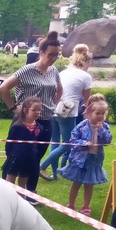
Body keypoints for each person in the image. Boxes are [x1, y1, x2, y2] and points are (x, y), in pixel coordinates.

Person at [0, 31, 62, 194]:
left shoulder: (54, 71)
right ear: (41, 53)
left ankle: (30, 193)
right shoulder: (26, 71)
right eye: (50, 55)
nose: (53, 58)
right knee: (14, 157)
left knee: (35, 160)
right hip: (24, 123)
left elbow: (60, 89)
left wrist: (52, 105)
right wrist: (15, 108)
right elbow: (3, 87)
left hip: (46, 121)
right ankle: (7, 192)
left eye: (57, 55)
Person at [39, 44, 92, 180]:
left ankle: (54, 173)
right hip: (68, 112)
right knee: (69, 143)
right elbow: (87, 102)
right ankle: (42, 166)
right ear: (86, 61)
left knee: (55, 142)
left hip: (54, 109)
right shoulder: (86, 76)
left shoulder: (62, 73)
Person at [59, 94, 112, 215]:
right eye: (97, 113)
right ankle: (71, 204)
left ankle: (85, 206)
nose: (100, 116)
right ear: (89, 112)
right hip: (80, 160)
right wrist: (83, 143)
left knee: (89, 183)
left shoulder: (105, 127)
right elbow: (72, 140)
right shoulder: (82, 126)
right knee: (76, 182)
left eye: (103, 114)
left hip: (94, 160)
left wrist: (102, 131)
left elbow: (107, 141)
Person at [2, 96, 43, 200]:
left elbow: (37, 144)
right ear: (25, 110)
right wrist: (10, 155)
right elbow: (9, 143)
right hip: (15, 158)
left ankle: (22, 204)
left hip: (29, 160)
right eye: (34, 110)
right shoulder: (17, 126)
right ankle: (6, 200)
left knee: (23, 182)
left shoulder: (39, 127)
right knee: (9, 180)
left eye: (39, 110)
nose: (37, 113)